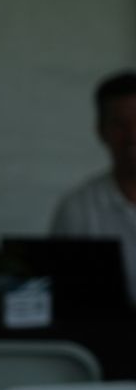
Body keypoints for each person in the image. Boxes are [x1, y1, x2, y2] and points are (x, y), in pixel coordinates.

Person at [51, 71, 136, 302]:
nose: (132, 136)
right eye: (120, 124)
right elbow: (62, 294)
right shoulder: (78, 208)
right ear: (101, 130)